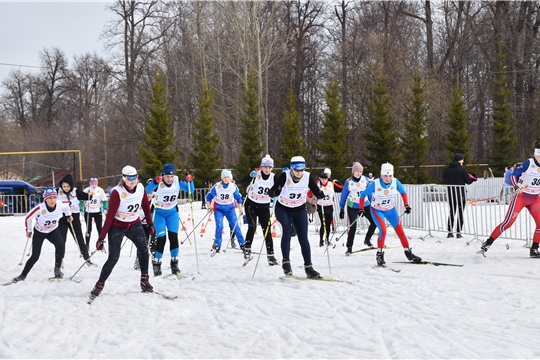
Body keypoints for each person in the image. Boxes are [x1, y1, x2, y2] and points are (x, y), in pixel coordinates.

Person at [89, 166, 154, 300]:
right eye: (130, 178)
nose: (133, 181)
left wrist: (150, 223)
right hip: (117, 226)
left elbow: (146, 206)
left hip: (134, 224)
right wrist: (101, 238)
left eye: (135, 177)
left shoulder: (141, 188)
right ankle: (99, 284)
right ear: (124, 178)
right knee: (114, 257)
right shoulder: (117, 192)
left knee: (143, 250)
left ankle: (144, 280)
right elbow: (110, 216)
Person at [479, 141, 540, 258]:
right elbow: (513, 175)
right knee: (508, 223)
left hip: (534, 199)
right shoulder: (529, 163)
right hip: (521, 197)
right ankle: (488, 243)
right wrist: (516, 187)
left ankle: (534, 249)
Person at [269, 156, 324, 278]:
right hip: (283, 208)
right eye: (297, 170)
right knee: (287, 232)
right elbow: (272, 191)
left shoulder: (307, 176)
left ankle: (309, 267)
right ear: (291, 169)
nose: (299, 173)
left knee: (303, 237)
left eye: (302, 170)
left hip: (299, 209)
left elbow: (315, 190)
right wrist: (274, 192)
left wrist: (319, 193)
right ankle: (286, 263)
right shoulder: (285, 176)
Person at [359, 162, 421, 266]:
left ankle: (408, 252)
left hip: (391, 210)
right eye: (385, 176)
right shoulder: (375, 183)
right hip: (377, 210)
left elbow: (403, 192)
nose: (388, 178)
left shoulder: (395, 182)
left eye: (390, 176)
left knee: (400, 231)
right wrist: (361, 208)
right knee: (383, 230)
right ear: (381, 175)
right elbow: (363, 195)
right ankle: (380, 254)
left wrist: (406, 205)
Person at [11, 188, 72, 282]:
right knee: (35, 256)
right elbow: (28, 218)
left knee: (60, 245)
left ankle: (57, 269)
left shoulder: (60, 204)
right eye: (50, 198)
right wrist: (29, 230)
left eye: (54, 198)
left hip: (53, 231)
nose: (52, 200)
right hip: (40, 232)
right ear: (45, 199)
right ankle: (23, 275)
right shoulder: (40, 208)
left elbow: (67, 205)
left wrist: (68, 215)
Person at [145, 163, 194, 276]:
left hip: (172, 212)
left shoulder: (177, 180)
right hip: (159, 213)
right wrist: (154, 182)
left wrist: (190, 181)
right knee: (161, 239)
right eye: (167, 176)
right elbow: (146, 191)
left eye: (171, 176)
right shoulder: (159, 182)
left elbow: (190, 190)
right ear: (163, 175)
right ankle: (157, 264)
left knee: (173, 237)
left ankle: (174, 263)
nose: (170, 179)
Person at [243, 155, 278, 265]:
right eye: (265, 167)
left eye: (269, 167)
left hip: (264, 206)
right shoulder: (256, 175)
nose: (267, 169)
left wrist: (276, 193)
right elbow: (243, 180)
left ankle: (271, 255)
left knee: (266, 230)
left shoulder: (274, 177)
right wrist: (249, 179)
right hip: (251, 205)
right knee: (252, 226)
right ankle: (247, 248)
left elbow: (280, 187)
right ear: (261, 167)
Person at [56, 174, 95, 266]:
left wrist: (89, 195)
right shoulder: (57, 192)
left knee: (79, 238)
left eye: (68, 186)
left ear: (71, 185)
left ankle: (87, 258)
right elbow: (47, 197)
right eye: (64, 186)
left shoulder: (75, 192)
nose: (65, 188)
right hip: (62, 217)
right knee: (62, 239)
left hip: (74, 217)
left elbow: (87, 197)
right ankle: (60, 260)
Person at [339, 162, 377, 254]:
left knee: (374, 222)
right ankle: (349, 247)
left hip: (365, 205)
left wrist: (373, 204)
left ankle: (367, 239)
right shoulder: (348, 182)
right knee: (353, 227)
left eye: (360, 171)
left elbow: (370, 193)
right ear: (353, 172)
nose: (359, 173)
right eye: (357, 171)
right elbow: (344, 196)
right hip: (353, 206)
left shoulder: (366, 180)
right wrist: (341, 209)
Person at [205, 169, 246, 254]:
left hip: (230, 209)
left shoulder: (233, 186)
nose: (226, 179)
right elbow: (208, 197)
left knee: (235, 226)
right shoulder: (217, 186)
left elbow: (238, 198)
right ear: (222, 178)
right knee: (219, 227)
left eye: (228, 177)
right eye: (224, 177)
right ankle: (217, 245)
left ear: (230, 178)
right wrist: (209, 207)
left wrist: (240, 208)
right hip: (218, 209)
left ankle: (243, 244)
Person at [442, 153, 477, 238]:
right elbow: (468, 181)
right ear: (459, 160)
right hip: (460, 194)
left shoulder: (446, 169)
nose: (463, 161)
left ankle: (450, 231)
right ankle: (458, 232)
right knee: (460, 213)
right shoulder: (462, 169)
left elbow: (444, 179)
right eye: (462, 160)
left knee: (452, 212)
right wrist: (473, 178)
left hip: (451, 193)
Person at [83, 178, 108, 248]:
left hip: (97, 212)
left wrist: (105, 208)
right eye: (92, 184)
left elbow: (105, 200)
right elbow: (81, 201)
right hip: (88, 212)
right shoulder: (86, 190)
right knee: (88, 229)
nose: (94, 185)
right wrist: (81, 209)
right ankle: (87, 245)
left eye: (95, 184)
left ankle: (100, 245)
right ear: (90, 184)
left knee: (99, 228)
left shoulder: (100, 190)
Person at [316, 172, 335, 247]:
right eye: (322, 179)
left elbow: (340, 187)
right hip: (321, 206)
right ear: (320, 179)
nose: (324, 181)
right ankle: (321, 240)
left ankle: (327, 239)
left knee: (328, 224)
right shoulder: (318, 185)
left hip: (329, 206)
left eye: (325, 179)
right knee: (323, 224)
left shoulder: (331, 184)